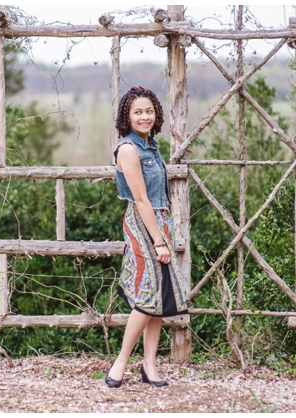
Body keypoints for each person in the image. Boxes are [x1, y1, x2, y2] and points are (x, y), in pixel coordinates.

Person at [105, 86, 188, 388]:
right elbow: (141, 201)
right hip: (143, 224)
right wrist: (159, 241)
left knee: (160, 295)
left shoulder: (151, 147)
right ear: (127, 116)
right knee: (147, 294)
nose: (144, 116)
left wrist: (163, 234)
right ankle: (122, 361)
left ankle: (149, 366)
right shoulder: (128, 149)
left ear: (156, 114)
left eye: (149, 111)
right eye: (138, 111)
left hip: (160, 222)